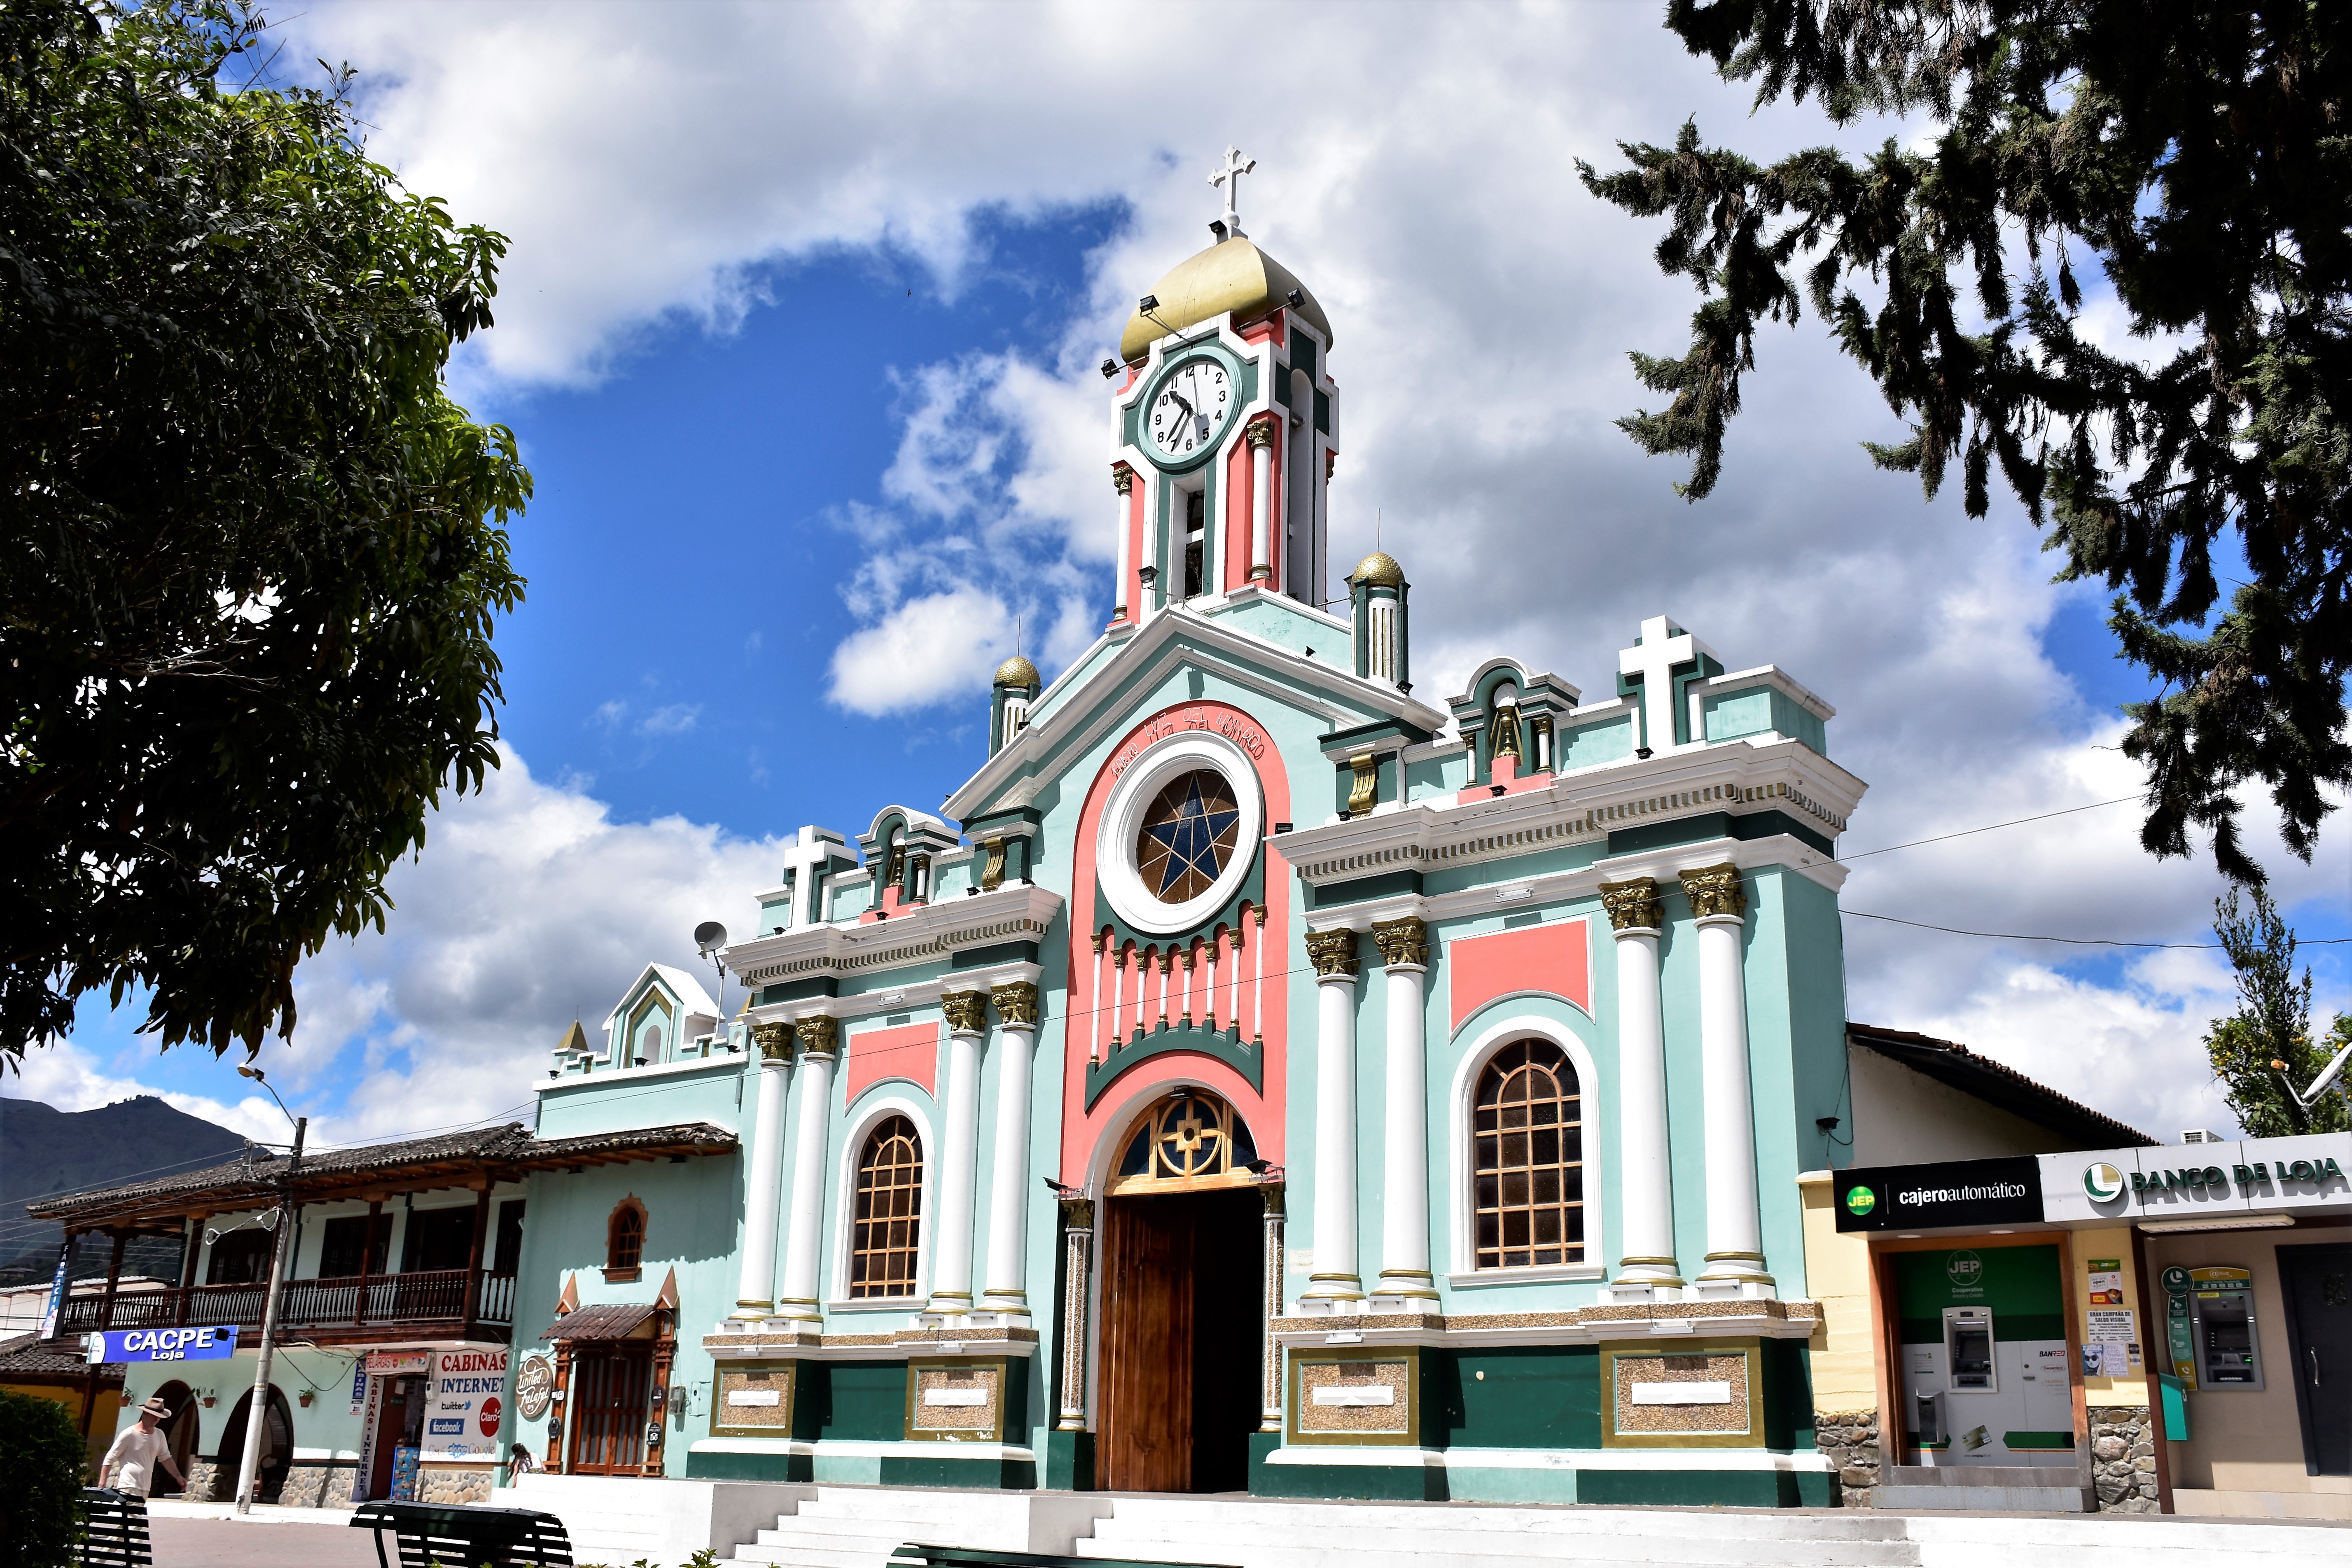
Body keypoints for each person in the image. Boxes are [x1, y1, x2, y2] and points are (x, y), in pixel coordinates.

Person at [99, 1396, 187, 1497]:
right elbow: (110, 1458)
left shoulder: (159, 1435)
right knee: (132, 1512)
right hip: (128, 1485)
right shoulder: (130, 1434)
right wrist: (102, 1483)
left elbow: (166, 1458)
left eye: (159, 1417)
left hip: (145, 1488)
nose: (157, 1419)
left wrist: (178, 1476)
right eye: (154, 1416)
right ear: (145, 1413)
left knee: (133, 1512)